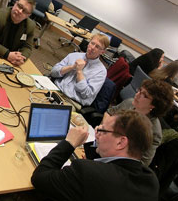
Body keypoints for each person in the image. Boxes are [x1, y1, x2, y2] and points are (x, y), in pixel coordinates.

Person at [31, 110, 159, 201]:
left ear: (121, 142)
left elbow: (39, 178)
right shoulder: (151, 181)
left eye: (103, 130)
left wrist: (69, 143)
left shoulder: (87, 172)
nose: (97, 132)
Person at [103, 79, 173, 165]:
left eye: (145, 95)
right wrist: (104, 131)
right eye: (140, 90)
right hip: (103, 144)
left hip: (116, 162)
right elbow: (109, 113)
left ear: (154, 105)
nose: (137, 95)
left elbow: (143, 163)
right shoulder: (129, 103)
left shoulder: (153, 131)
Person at [50, 33, 110, 107]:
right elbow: (53, 72)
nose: (92, 48)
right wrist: (71, 67)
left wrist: (79, 72)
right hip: (55, 89)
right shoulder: (74, 55)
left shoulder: (101, 71)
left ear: (102, 52)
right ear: (89, 43)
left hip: (72, 101)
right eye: (92, 43)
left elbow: (87, 94)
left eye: (97, 47)